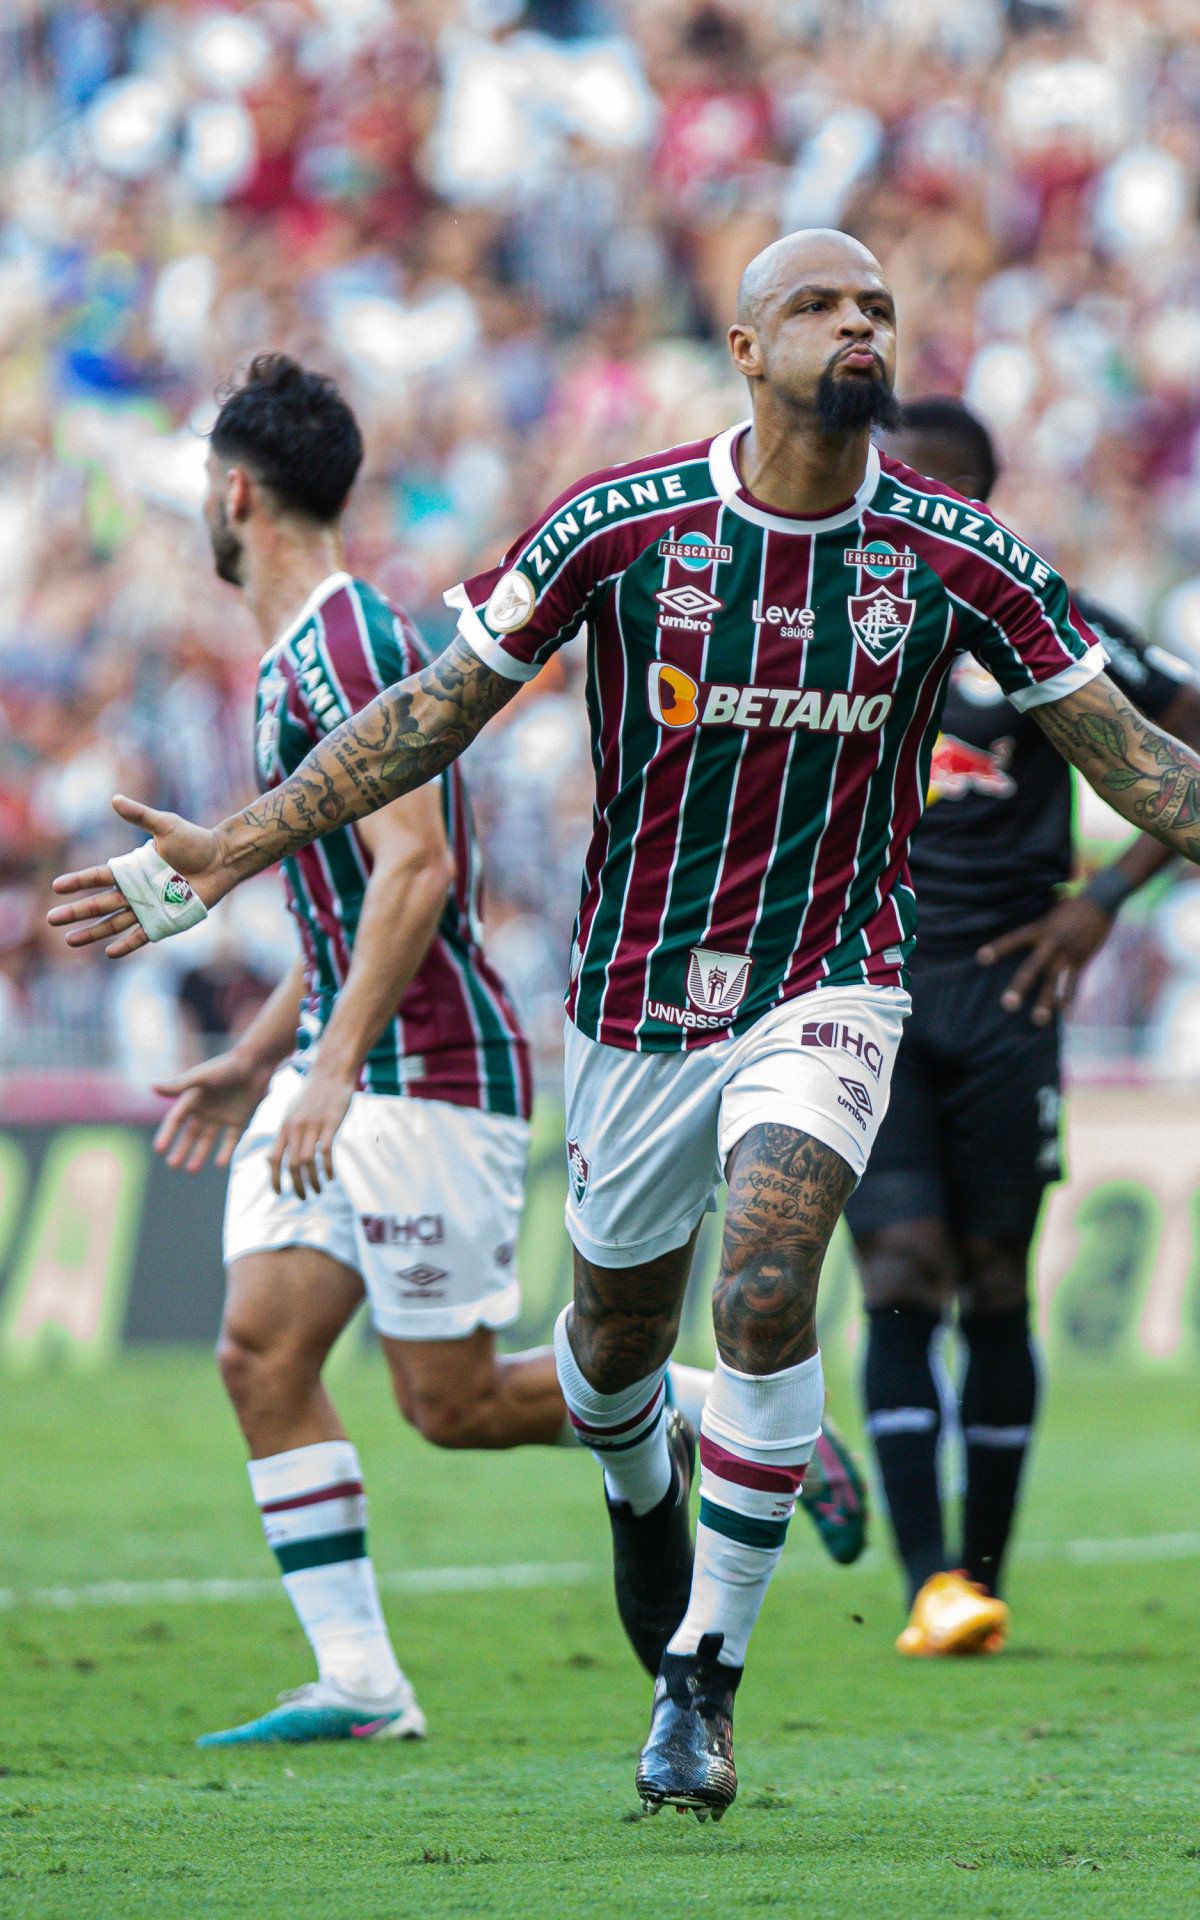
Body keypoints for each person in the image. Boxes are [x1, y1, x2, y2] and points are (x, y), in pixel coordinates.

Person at [49, 231, 1200, 1820]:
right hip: (636, 1010)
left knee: (778, 1266)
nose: (857, 322)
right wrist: (232, 851)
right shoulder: (622, 525)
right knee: (604, 1361)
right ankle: (639, 1464)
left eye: (877, 305)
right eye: (819, 304)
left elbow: (1140, 761)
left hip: (835, 983)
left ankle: (702, 1678)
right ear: (744, 346)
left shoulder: (957, 555)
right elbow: (430, 717)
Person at [843, 395, 1200, 1656]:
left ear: (978, 499)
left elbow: (1190, 726)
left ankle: (982, 1575)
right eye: (889, 483)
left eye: (924, 486)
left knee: (995, 1283)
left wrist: (1101, 902)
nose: (897, 504)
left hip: (1009, 991)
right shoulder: (839, 614)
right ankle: (927, 1582)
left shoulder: (1045, 621)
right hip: (863, 989)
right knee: (898, 1275)